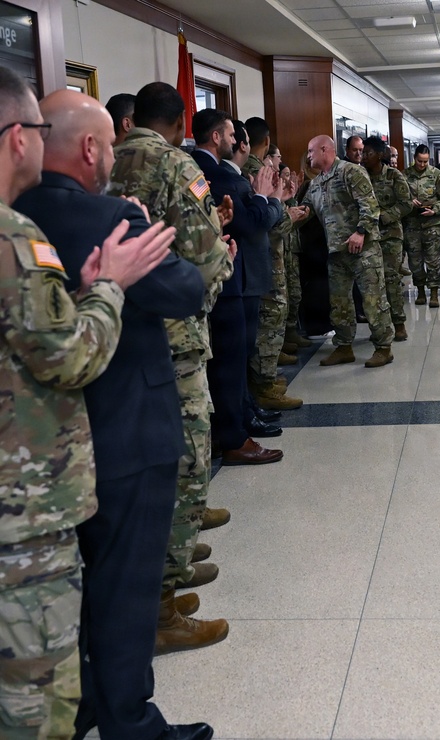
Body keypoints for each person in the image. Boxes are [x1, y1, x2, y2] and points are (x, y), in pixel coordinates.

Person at [13, 88, 209, 740]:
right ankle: (131, 722)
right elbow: (186, 288)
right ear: (93, 148)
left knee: (77, 592)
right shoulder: (106, 218)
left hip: (49, 447)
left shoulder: (18, 214)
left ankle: (90, 706)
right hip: (128, 427)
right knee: (124, 591)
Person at [108, 81, 234, 655]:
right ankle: (161, 604)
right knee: (186, 460)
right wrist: (220, 265)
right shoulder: (174, 163)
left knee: (147, 465)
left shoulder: (108, 162)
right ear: (178, 120)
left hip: (119, 333)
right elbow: (207, 253)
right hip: (175, 334)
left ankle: (162, 583)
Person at [191, 109, 285, 465]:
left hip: (230, 277)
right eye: (231, 135)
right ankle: (232, 437)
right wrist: (265, 198)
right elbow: (249, 222)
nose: (236, 141)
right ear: (217, 137)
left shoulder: (211, 171)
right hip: (229, 280)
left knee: (236, 360)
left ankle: (242, 419)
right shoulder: (213, 173)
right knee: (229, 363)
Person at [300, 134, 394, 368]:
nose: (308, 156)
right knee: (340, 303)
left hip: (364, 250)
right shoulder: (316, 183)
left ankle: (383, 347)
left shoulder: (351, 172)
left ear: (324, 149)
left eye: (311, 151)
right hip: (337, 252)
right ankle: (343, 347)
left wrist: (360, 232)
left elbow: (370, 206)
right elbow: (305, 212)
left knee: (373, 300)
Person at [242, 116, 305, 412]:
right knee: (270, 317)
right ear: (266, 143)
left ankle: (263, 379)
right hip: (267, 255)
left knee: (269, 317)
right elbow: (270, 223)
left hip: (263, 256)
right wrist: (288, 215)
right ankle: (263, 385)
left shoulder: (250, 170)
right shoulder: (258, 172)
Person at [362, 135, 412, 341]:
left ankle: (399, 323)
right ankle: (379, 328)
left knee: (391, 280)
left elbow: (406, 204)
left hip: (390, 236)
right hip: (368, 238)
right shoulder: (360, 176)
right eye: (363, 153)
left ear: (380, 154)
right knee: (372, 284)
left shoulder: (393, 176)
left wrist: (383, 217)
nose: (364, 157)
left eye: (368, 153)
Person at [402, 144, 440, 307]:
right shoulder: (405, 176)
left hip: (432, 224)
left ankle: (434, 293)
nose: (422, 165)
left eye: (425, 161)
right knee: (415, 261)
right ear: (414, 158)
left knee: (433, 260)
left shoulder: (436, 174)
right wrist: (409, 202)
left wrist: (434, 210)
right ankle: (420, 291)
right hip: (412, 224)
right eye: (419, 161)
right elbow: (399, 199)